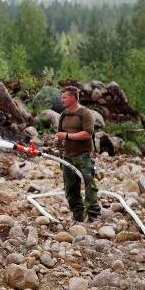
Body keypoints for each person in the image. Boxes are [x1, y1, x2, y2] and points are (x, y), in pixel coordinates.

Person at [54, 86, 101, 222]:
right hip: (68, 157)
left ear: (73, 98)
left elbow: (88, 134)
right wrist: (58, 139)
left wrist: (67, 136)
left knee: (89, 186)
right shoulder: (64, 114)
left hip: (84, 156)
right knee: (70, 188)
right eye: (62, 97)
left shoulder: (85, 113)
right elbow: (60, 133)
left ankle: (93, 216)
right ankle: (78, 216)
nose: (62, 100)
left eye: (64, 97)